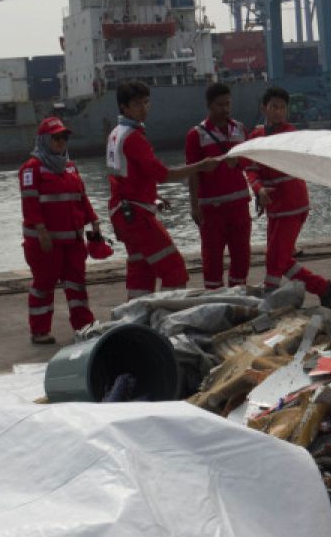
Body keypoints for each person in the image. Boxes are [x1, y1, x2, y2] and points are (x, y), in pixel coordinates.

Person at [106, 80, 220, 300]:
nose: (144, 108)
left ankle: (135, 322)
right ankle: (167, 321)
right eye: (137, 104)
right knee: (174, 270)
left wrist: (153, 197)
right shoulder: (134, 139)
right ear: (124, 107)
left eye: (146, 102)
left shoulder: (116, 134)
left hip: (124, 213)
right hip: (138, 216)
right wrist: (200, 165)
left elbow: (123, 176)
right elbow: (163, 174)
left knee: (141, 271)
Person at [245, 86, 331, 309]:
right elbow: (250, 169)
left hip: (293, 206)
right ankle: (325, 288)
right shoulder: (256, 137)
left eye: (282, 108)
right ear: (264, 108)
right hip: (274, 207)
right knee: (282, 259)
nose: (279, 112)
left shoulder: (290, 135)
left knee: (274, 259)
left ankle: (269, 303)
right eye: (274, 107)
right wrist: (259, 190)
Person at [19, 116, 101, 345]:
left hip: (73, 241)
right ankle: (39, 331)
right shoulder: (31, 169)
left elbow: (81, 198)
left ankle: (84, 326)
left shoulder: (70, 166)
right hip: (45, 242)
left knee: (77, 284)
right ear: (44, 140)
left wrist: (94, 221)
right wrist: (42, 230)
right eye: (56, 138)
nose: (61, 142)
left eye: (64, 137)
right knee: (44, 286)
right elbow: (30, 204)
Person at [185, 82, 252, 290]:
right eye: (220, 105)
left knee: (242, 257)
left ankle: (238, 295)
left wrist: (239, 162)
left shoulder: (239, 129)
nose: (225, 109)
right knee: (212, 259)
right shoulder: (196, 135)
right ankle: (214, 298)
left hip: (239, 205)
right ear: (209, 105)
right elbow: (192, 172)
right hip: (211, 209)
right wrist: (194, 205)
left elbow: (249, 160)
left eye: (228, 104)